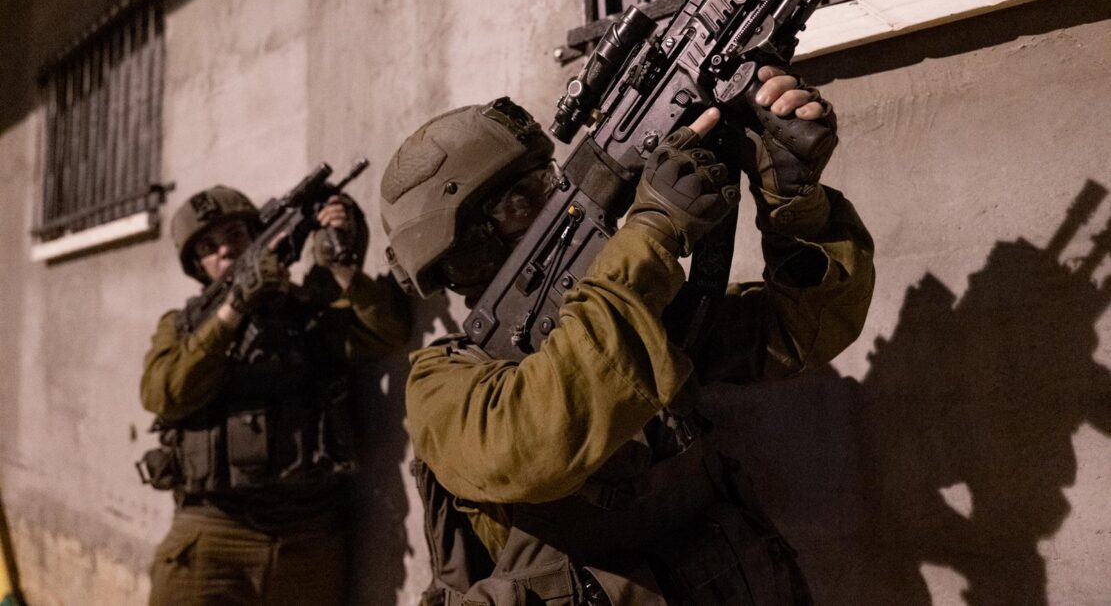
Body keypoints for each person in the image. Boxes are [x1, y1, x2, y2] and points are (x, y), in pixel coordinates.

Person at [380, 71, 875, 605]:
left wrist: (794, 202)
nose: (555, 206)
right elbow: (535, 442)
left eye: (546, 181)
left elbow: (801, 332)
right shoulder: (441, 383)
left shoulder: (628, 311)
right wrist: (651, 234)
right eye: (521, 202)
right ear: (464, 252)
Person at [139, 185, 410, 605]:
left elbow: (386, 334)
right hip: (213, 530)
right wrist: (233, 310)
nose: (225, 251)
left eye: (235, 235)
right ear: (197, 266)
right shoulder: (182, 325)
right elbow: (163, 394)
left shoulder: (307, 313)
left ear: (259, 238)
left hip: (308, 535)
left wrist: (341, 266)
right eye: (208, 247)